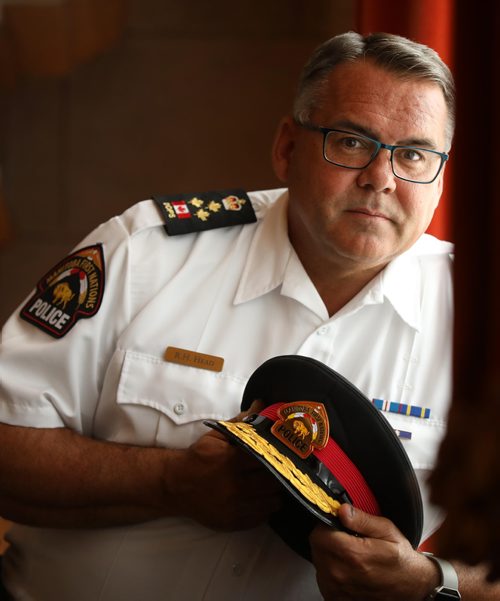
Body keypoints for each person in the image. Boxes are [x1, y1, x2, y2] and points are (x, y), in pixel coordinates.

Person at [0, 30, 498, 600]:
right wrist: (167, 483)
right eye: (351, 142)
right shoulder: (148, 251)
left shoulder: (479, 319)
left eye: (413, 154)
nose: (381, 179)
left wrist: (433, 583)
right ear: (288, 148)